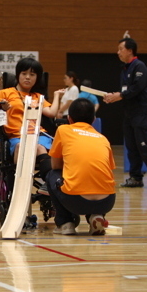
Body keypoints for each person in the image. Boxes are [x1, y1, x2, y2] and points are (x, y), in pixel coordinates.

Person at [47, 98, 116, 235]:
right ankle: (96, 216)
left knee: (52, 175)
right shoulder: (102, 138)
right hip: (107, 202)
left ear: (69, 118)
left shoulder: (63, 130)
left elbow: (55, 165)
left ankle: (65, 223)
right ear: (94, 119)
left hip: (75, 201)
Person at [0, 58, 59, 193]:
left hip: (38, 135)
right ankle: (18, 187)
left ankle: (47, 183)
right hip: (17, 137)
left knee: (39, 147)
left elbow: (51, 113)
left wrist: (56, 96)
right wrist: (2, 109)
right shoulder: (4, 93)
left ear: (37, 78)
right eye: (24, 73)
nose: (28, 77)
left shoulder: (38, 97)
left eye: (32, 74)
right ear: (18, 75)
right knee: (21, 147)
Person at [104, 38, 147, 188]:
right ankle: (136, 177)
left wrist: (120, 95)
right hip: (129, 113)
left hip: (142, 112)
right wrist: (114, 97)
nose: (118, 52)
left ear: (130, 50)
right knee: (131, 145)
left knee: (143, 144)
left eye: (120, 49)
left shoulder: (139, 66)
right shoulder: (125, 69)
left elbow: (137, 88)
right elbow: (125, 91)